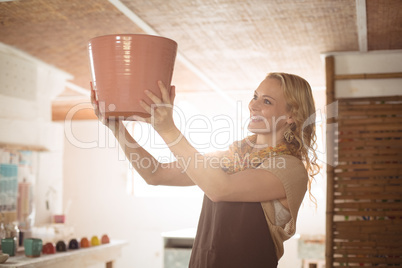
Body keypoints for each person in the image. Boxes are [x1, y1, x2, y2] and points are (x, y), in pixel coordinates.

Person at [91, 72, 319, 267]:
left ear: (292, 115)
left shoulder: (290, 168)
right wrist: (116, 128)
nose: (253, 105)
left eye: (267, 101)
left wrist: (168, 129)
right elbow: (154, 173)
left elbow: (221, 188)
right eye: (254, 96)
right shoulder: (232, 156)